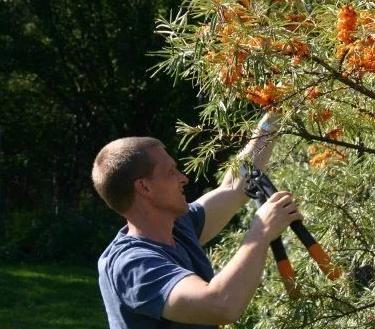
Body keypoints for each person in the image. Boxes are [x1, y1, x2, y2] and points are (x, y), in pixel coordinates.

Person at [91, 114, 301, 328]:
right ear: (145, 187)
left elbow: (235, 187)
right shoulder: (131, 264)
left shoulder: (179, 225)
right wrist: (261, 231)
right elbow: (220, 305)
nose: (183, 178)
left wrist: (272, 117)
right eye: (170, 172)